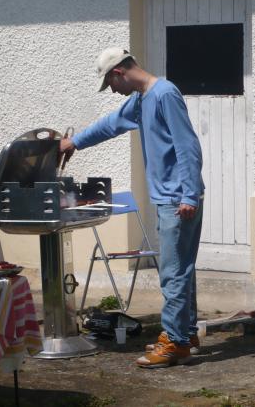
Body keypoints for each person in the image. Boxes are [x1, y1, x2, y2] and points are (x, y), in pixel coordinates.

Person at [60, 47, 204, 368]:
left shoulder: (164, 94)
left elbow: (188, 145)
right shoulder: (141, 100)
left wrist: (190, 194)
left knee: (172, 272)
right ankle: (186, 332)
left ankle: (175, 343)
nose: (112, 91)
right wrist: (74, 143)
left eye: (110, 84)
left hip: (178, 199)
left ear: (118, 73)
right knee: (182, 269)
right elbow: (111, 124)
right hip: (171, 198)